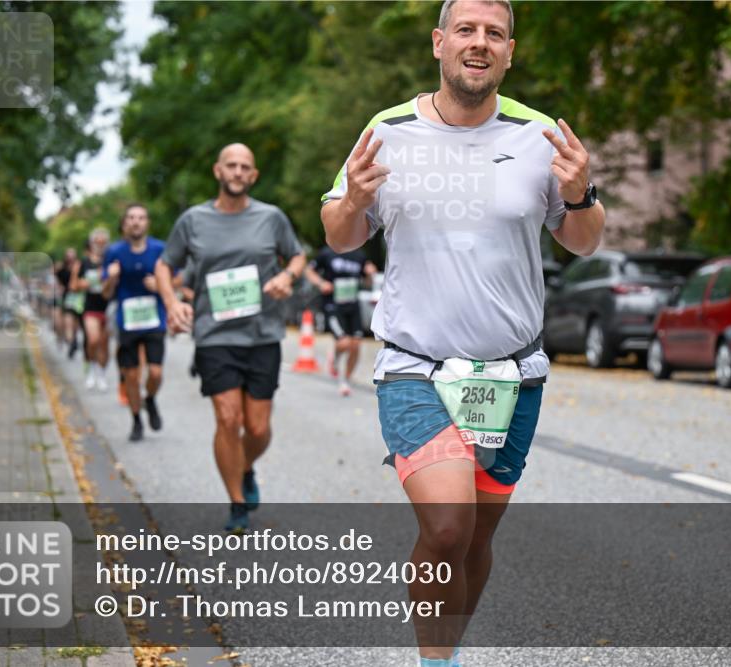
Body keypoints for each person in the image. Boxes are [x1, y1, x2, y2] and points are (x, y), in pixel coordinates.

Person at [320, 1, 605, 664]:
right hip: (414, 364)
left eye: (495, 34)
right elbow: (339, 232)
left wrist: (583, 192)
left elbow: (586, 243)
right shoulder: (387, 132)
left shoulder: (542, 139)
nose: (480, 44)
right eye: (467, 31)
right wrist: (355, 201)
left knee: (475, 540)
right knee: (447, 527)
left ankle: (447, 648)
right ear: (439, 42)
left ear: (510, 51)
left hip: (511, 375)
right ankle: (434, 661)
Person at [156, 143, 306, 532]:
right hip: (214, 334)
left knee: (257, 428)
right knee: (227, 418)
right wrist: (172, 301)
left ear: (253, 176)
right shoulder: (193, 220)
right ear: (217, 171)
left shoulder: (271, 217)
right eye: (231, 166)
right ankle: (237, 503)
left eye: (245, 167)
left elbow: (297, 256)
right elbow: (164, 264)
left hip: (262, 333)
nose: (238, 172)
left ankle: (246, 465)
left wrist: (287, 277)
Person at [102, 203, 169, 442]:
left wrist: (160, 285)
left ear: (147, 222)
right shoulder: (114, 252)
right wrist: (111, 279)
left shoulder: (160, 249)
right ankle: (136, 420)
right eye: (131, 217)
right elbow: (105, 293)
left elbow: (179, 279)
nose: (136, 222)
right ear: (125, 223)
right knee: (130, 376)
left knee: (156, 372)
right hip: (127, 321)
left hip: (154, 320)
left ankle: (149, 399)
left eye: (141, 217)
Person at [303, 246, 376, 396]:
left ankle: (346, 380)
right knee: (343, 342)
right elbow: (308, 271)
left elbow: (367, 283)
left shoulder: (359, 255)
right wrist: (321, 283)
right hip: (333, 305)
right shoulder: (327, 252)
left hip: (352, 305)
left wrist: (370, 274)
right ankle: (335, 360)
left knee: (355, 344)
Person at [71, 229, 112, 390]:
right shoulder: (83, 263)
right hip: (90, 307)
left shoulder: (111, 261)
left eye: (103, 242)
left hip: (108, 307)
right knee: (93, 339)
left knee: (104, 344)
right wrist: (88, 283)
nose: (100, 245)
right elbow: (73, 286)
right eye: (97, 242)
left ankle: (101, 373)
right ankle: (91, 368)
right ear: (92, 243)